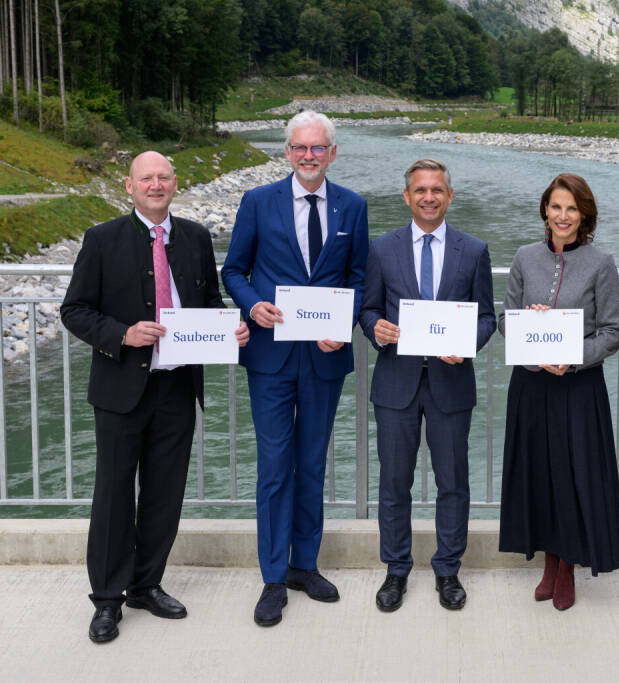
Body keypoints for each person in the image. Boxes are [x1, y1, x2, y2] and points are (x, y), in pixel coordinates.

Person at [61, 151, 249, 644]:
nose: (156, 184)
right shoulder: (102, 240)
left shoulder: (196, 237)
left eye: (164, 177)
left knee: (165, 495)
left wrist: (229, 330)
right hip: (121, 389)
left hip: (177, 387)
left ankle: (147, 584)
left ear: (175, 183)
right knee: (113, 496)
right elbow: (74, 310)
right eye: (147, 177)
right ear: (129, 186)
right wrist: (123, 333)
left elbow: (208, 304)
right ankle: (107, 599)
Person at [221, 111, 368, 627]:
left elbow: (358, 279)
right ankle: (272, 578)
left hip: (323, 359)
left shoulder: (354, 206)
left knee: (311, 463)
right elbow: (233, 269)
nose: (309, 156)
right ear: (287, 153)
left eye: (318, 148)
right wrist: (253, 305)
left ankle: (305, 564)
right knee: (274, 466)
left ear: (332, 153)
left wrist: (346, 322)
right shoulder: (258, 202)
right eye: (300, 148)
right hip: (271, 358)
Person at [359, 159, 496, 612]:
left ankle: (447, 571)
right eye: (420, 190)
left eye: (437, 190)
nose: (429, 197)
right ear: (407, 196)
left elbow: (486, 317)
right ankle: (395, 571)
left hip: (450, 382)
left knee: (452, 482)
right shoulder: (381, 248)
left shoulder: (473, 250)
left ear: (450, 196)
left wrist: (468, 344)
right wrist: (375, 326)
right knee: (393, 483)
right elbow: (368, 309)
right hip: (396, 382)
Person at [498, 173, 619, 611]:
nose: (563, 216)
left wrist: (572, 356)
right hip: (532, 385)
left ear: (584, 214)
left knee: (572, 476)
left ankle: (568, 564)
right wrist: (530, 327)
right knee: (538, 473)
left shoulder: (601, 262)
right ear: (545, 211)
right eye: (556, 207)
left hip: (578, 387)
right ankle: (548, 560)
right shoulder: (523, 257)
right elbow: (504, 321)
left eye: (572, 208)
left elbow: (613, 331)